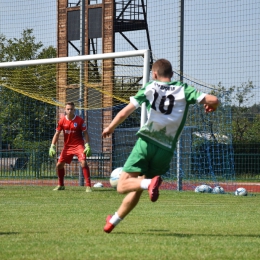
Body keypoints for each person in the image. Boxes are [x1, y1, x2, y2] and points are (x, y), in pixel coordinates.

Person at [102, 59, 219, 233]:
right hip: (166, 149)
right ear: (171, 74)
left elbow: (126, 111)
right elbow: (214, 99)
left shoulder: (151, 86)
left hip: (147, 142)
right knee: (138, 186)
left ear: (154, 74)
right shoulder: (183, 88)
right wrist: (212, 106)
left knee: (121, 185)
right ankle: (114, 221)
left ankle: (149, 183)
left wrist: (110, 127)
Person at [49, 102, 92, 192]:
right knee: (59, 165)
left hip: (78, 145)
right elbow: (57, 134)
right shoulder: (61, 121)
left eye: (71, 109)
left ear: (74, 110)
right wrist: (52, 145)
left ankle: (88, 186)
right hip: (67, 147)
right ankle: (61, 185)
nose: (70, 111)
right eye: (68, 109)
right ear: (65, 110)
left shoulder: (80, 120)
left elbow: (85, 133)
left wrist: (87, 145)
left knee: (83, 163)